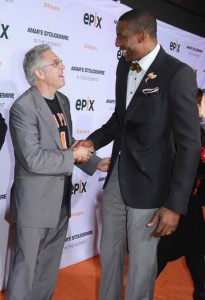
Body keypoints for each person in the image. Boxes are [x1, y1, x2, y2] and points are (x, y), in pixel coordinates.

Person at [73, 9, 201, 300]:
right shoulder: (124, 66)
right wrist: (91, 142)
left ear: (141, 36)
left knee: (142, 265)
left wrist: (175, 206)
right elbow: (121, 119)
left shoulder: (177, 74)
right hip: (117, 179)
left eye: (122, 36)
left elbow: (189, 144)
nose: (117, 43)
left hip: (152, 187)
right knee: (110, 256)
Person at [5, 44, 108, 300]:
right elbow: (33, 159)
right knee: (24, 270)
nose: (63, 66)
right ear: (39, 73)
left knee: (48, 270)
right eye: (56, 62)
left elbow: (66, 143)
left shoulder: (63, 101)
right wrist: (73, 156)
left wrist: (95, 163)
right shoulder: (23, 108)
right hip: (34, 205)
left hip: (60, 201)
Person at [157, 88, 205, 300]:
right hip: (173, 204)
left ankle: (202, 293)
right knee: (161, 254)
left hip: (191, 205)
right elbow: (186, 167)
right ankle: (137, 292)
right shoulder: (174, 131)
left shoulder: (200, 131)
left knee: (195, 252)